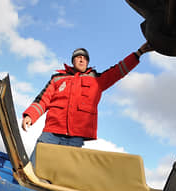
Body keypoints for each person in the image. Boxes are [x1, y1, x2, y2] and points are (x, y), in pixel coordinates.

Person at [22, 43, 153, 148]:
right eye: (78, 57)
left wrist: (138, 53)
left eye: (85, 58)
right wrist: (30, 115)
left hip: (75, 138)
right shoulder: (57, 78)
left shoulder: (97, 80)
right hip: (51, 133)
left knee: (63, 175)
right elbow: (43, 99)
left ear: (87, 63)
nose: (81, 59)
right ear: (73, 61)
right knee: (36, 167)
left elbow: (118, 70)